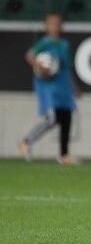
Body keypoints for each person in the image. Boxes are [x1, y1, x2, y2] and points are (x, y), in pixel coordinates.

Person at [18, 11, 79, 165]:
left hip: (64, 86)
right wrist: (40, 66)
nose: (55, 27)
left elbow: (67, 68)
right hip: (49, 87)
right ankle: (26, 142)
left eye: (58, 24)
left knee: (67, 119)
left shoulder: (65, 45)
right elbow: (30, 55)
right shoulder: (45, 43)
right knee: (52, 119)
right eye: (52, 24)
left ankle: (64, 155)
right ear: (46, 26)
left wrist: (75, 87)